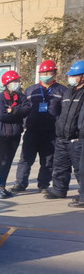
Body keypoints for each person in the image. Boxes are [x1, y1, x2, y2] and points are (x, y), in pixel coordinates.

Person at [12, 60, 65, 194]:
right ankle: (20, 183)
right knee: (25, 159)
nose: (45, 75)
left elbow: (65, 112)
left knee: (47, 161)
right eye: (43, 73)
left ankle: (43, 184)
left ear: (54, 73)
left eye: (48, 73)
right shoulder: (31, 90)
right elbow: (23, 108)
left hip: (51, 132)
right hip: (32, 130)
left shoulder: (62, 90)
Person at [45, 60, 84, 200]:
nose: (70, 78)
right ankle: (59, 190)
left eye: (74, 75)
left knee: (80, 169)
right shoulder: (68, 92)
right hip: (62, 137)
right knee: (60, 166)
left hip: (78, 139)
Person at [0, 70, 31, 199]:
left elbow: (27, 110)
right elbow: (0, 115)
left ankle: (2, 186)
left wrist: (12, 110)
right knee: (2, 161)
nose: (17, 83)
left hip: (15, 133)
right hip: (0, 133)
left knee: (8, 161)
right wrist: (17, 114)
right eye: (14, 81)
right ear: (7, 84)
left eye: (17, 81)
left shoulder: (22, 97)